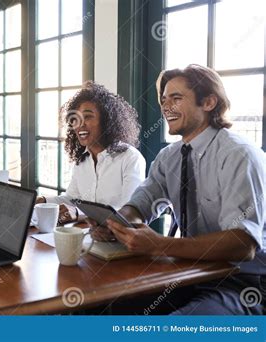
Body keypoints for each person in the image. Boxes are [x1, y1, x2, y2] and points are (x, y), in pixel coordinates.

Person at [92, 64, 265, 315]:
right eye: (164, 100)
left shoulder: (239, 155)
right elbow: (141, 203)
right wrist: (116, 224)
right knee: (109, 306)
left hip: (245, 283)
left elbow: (243, 244)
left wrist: (159, 244)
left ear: (208, 102)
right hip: (193, 273)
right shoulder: (168, 157)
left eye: (176, 98)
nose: (165, 106)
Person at [35, 81, 146, 223]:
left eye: (87, 117)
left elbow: (128, 212)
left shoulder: (130, 158)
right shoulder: (82, 160)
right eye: (76, 119)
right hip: (89, 235)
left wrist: (78, 212)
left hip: (118, 240)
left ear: (107, 120)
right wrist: (42, 200)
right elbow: (71, 199)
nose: (80, 124)